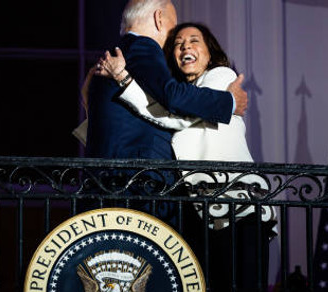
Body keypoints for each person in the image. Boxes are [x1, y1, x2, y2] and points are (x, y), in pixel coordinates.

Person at [97, 22, 277, 292]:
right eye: (178, 43)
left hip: (241, 211)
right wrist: (120, 80)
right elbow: (166, 116)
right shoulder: (192, 99)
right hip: (205, 216)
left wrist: (125, 80)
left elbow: (175, 116)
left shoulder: (222, 78)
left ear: (210, 52)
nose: (184, 47)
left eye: (194, 41)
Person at [84, 0, 247, 227]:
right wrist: (229, 102)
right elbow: (173, 97)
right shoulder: (142, 46)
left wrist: (123, 79)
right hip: (139, 187)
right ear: (159, 19)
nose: (174, 43)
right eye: (175, 29)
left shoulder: (116, 56)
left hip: (113, 186)